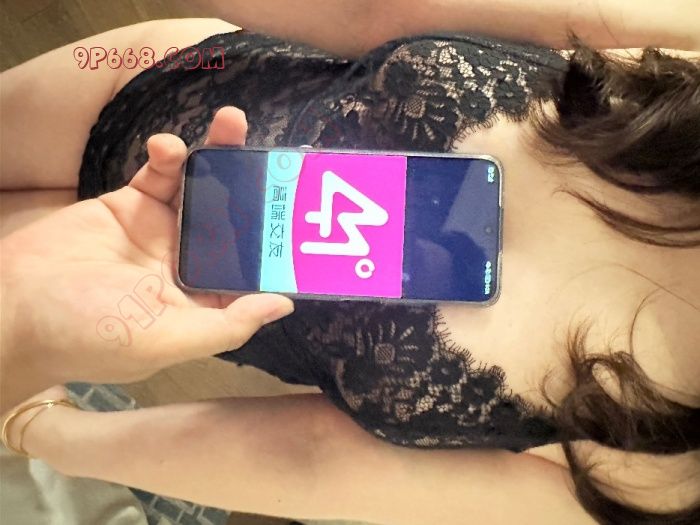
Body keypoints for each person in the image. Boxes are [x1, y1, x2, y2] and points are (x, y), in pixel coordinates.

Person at [1, 2, 699, 524]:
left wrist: (41, 427)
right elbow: (375, 11)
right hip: (167, 78)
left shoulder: (675, 481)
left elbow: (312, 459)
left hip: (151, 288)